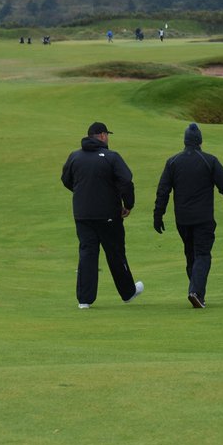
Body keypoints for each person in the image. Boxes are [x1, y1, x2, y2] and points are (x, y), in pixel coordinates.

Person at [153, 123, 223, 308]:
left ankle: (196, 293)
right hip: (203, 219)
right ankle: (195, 292)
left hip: (183, 220)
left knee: (190, 255)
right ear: (200, 141)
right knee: (202, 255)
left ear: (185, 141)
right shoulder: (209, 160)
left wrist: (158, 215)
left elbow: (163, 191)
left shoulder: (173, 162)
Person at [60, 122, 143, 309]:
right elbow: (126, 181)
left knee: (87, 254)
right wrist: (128, 204)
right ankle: (128, 293)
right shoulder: (111, 157)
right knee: (115, 253)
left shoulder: (75, 156)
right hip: (108, 215)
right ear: (103, 136)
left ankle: (84, 300)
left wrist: (83, 192)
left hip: (82, 214)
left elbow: (66, 180)